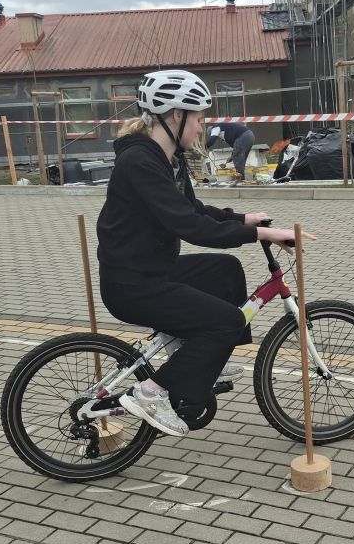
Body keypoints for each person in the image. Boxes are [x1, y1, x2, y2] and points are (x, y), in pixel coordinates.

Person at [97, 70, 314, 437]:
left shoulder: (168, 159)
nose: (201, 128)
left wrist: (243, 219)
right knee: (228, 321)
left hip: (152, 270)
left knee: (225, 270)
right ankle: (151, 392)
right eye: (198, 119)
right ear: (175, 115)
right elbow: (191, 227)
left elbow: (193, 209)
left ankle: (205, 359)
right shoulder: (140, 162)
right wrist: (260, 233)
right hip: (131, 285)